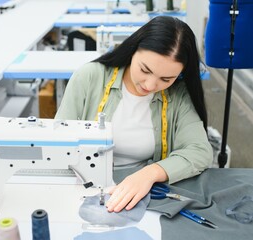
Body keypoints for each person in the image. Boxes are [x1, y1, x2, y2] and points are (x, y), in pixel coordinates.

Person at [55, 16, 213, 213]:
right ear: (132, 50)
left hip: (143, 190)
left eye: (166, 79)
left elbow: (200, 151)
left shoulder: (177, 95)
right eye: (145, 70)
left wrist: (150, 174)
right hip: (84, 182)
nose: (150, 85)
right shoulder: (89, 76)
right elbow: (58, 140)